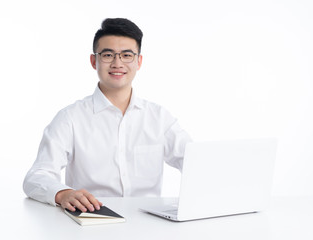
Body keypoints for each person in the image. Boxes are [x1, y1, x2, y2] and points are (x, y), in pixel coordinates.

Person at [23, 18, 191, 213]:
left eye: (127, 55)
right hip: (92, 220)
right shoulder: (70, 118)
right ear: (94, 61)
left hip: (150, 223)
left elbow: (196, 163)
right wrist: (63, 193)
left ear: (139, 61)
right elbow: (36, 176)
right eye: (108, 54)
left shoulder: (160, 118)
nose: (117, 63)